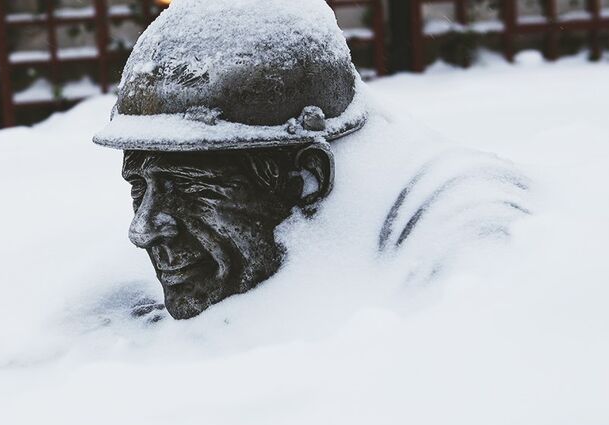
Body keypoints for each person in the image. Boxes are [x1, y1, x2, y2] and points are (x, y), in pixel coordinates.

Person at [93, 0, 529, 321]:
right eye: (139, 187)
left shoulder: (471, 244)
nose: (142, 230)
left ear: (306, 177)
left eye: (191, 187)